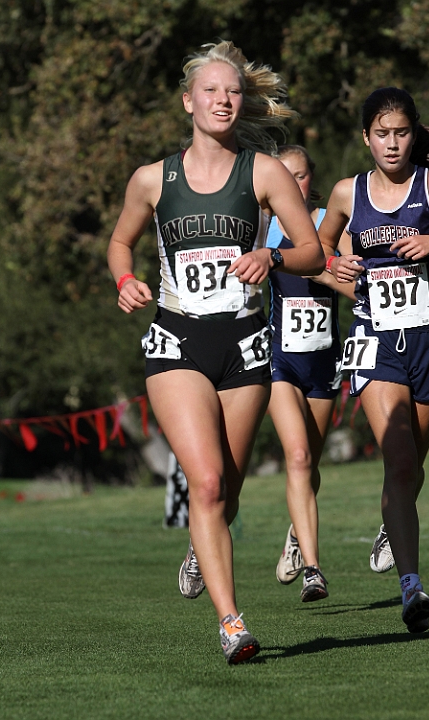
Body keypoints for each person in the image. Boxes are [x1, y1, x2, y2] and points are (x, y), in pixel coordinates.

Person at [107, 41, 325, 664]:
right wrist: (126, 281)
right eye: (211, 91)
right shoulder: (154, 179)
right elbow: (119, 243)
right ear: (188, 102)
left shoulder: (264, 173)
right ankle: (232, 624)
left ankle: (202, 547)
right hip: (177, 339)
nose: (224, 100)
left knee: (225, 488)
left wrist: (272, 255)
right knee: (203, 482)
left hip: (245, 343)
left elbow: (313, 249)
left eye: (232, 91)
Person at [318, 87, 429, 633]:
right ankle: (411, 587)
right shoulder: (348, 192)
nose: (392, 144)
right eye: (382, 134)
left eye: (402, 132)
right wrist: (337, 267)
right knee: (401, 460)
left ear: (415, 134)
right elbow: (315, 252)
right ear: (366, 137)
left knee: (413, 463)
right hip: (375, 339)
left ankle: (395, 518)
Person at [267, 145, 355, 603]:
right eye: (284, 175)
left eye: (300, 176)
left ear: (311, 179)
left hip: (324, 362)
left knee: (311, 464)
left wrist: (326, 271)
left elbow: (357, 287)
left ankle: (296, 533)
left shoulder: (329, 223)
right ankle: (314, 571)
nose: (293, 184)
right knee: (298, 457)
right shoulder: (264, 227)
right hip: (279, 362)